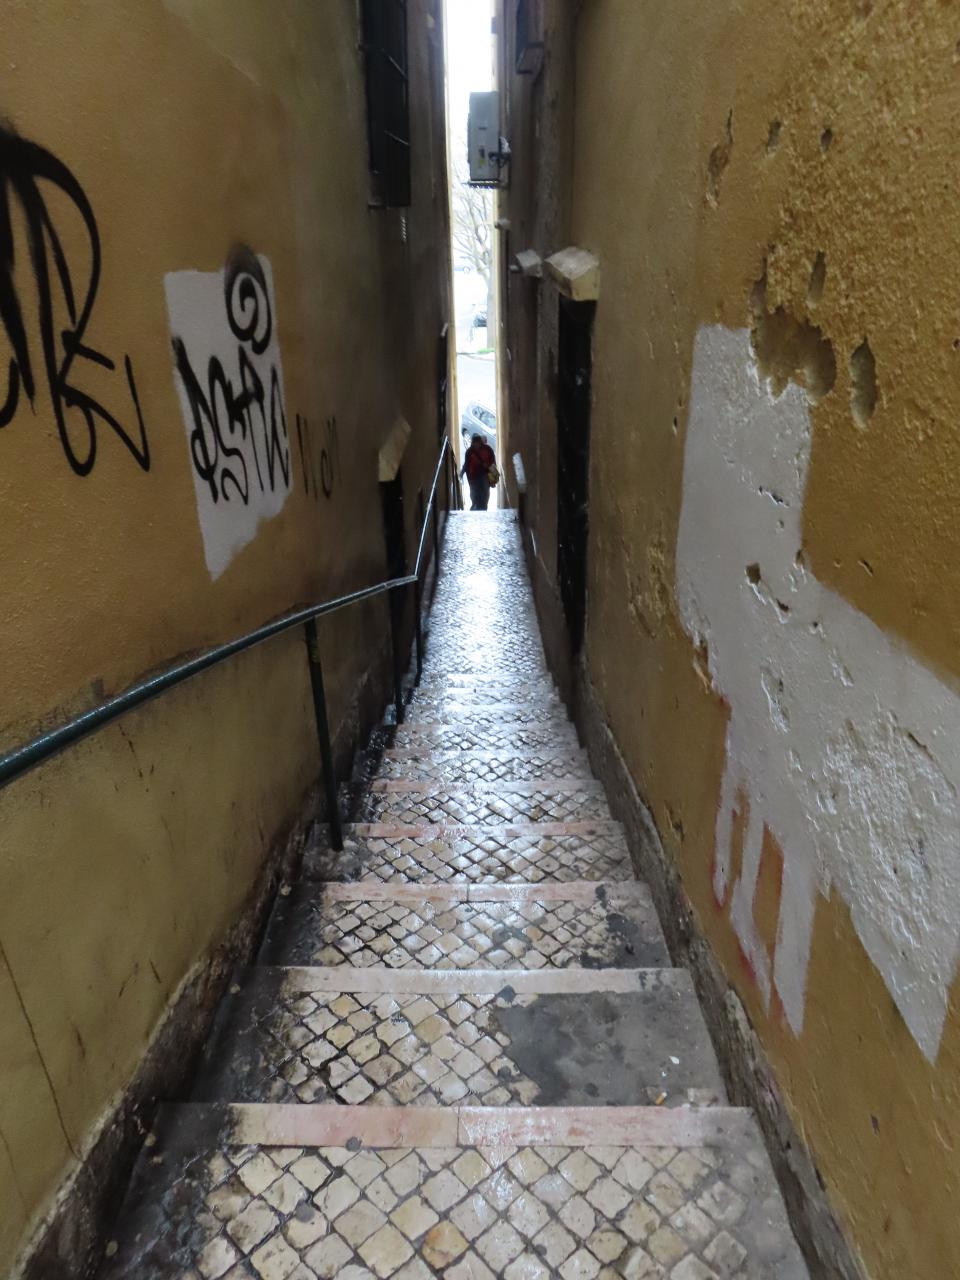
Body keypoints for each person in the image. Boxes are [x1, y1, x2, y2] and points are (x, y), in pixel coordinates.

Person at [461, 433, 497, 510]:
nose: (476, 444)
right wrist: (462, 472)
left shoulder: (488, 449)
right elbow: (466, 464)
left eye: (477, 442)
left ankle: (483, 507)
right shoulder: (469, 451)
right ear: (472, 443)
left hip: (485, 474)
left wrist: (492, 471)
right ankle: (475, 505)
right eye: (475, 443)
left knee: (485, 492)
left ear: (480, 442)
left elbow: (493, 461)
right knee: (474, 493)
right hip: (473, 476)